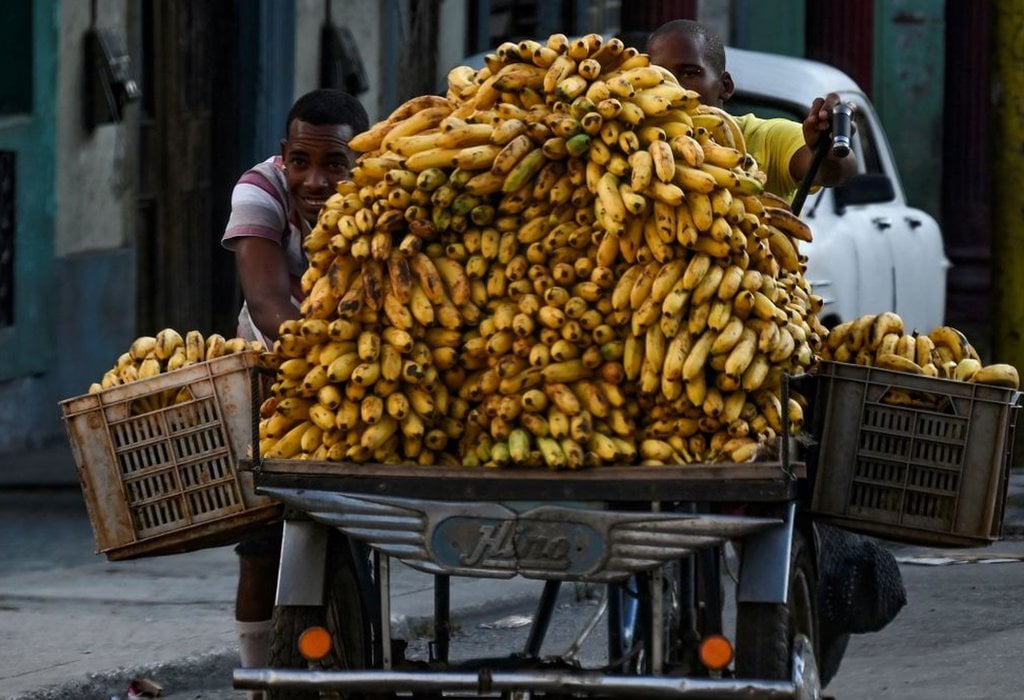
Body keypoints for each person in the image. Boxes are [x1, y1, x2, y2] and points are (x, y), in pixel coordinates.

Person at [221, 88, 369, 686]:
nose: (317, 180)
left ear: (360, 158)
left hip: (366, 372)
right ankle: (256, 679)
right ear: (284, 155)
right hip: (276, 367)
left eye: (335, 164)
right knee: (261, 544)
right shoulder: (259, 189)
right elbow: (267, 298)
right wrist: (323, 349)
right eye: (302, 162)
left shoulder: (387, 191)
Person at [646, 19, 857, 201]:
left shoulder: (766, 138)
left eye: (689, 73)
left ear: (725, 86)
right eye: (660, 75)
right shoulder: (633, 144)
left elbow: (834, 172)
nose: (672, 87)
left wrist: (828, 150)